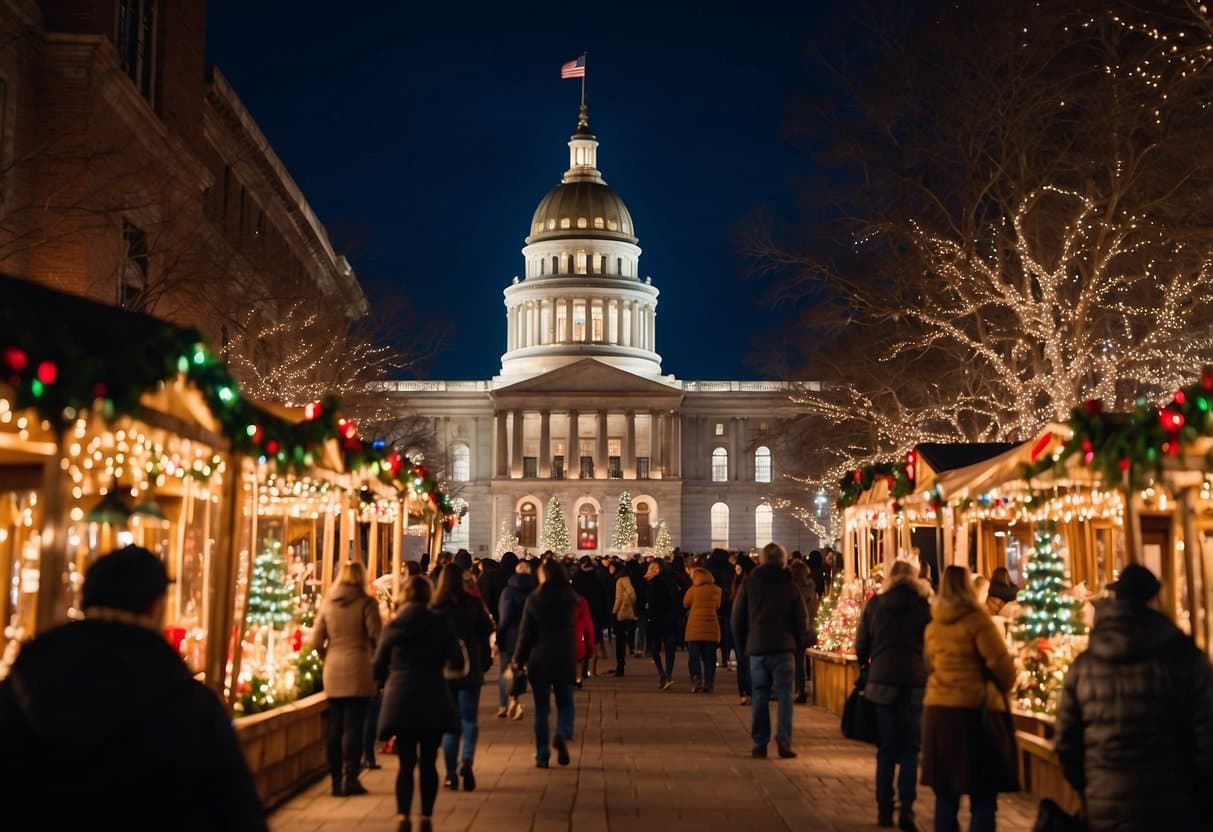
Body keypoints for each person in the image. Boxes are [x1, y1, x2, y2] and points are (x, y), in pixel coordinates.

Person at [0, 545, 267, 831]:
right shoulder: (188, 701)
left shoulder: (27, 679)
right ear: (155, 606)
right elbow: (237, 812)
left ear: (85, 597)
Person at [1054, 564, 1213, 831]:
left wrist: (1093, 786)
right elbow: (1207, 738)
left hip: (1105, 807)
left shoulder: (1085, 664)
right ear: (1156, 599)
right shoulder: (1185, 657)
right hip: (1174, 806)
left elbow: (1065, 742)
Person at [921, 565, 1015, 832]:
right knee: (983, 793)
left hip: (940, 712)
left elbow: (929, 666)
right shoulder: (978, 621)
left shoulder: (933, 626)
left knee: (946, 794)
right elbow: (1003, 667)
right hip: (976, 714)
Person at [375, 576, 466, 832]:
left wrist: (387, 678)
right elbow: (457, 660)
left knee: (405, 762)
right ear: (429, 596)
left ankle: (403, 816)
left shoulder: (394, 626)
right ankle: (426, 817)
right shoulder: (440, 623)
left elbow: (377, 664)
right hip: (432, 696)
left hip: (401, 699)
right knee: (428, 761)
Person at [855, 560, 932, 831]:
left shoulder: (876, 604)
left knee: (886, 748)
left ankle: (884, 809)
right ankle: (907, 809)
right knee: (911, 749)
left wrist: (867, 665)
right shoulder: (925, 606)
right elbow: (932, 645)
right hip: (915, 682)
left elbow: (861, 644)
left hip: (882, 682)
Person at [312, 559, 383, 797]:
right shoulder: (366, 603)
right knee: (354, 726)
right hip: (359, 668)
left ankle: (334, 781)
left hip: (333, 668)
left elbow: (315, 640)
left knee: (335, 725)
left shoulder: (328, 603)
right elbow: (376, 636)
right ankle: (351, 777)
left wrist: (327, 656)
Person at [731, 542, 807, 759]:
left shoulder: (749, 584)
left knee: (760, 695)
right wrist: (798, 644)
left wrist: (743, 644)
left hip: (757, 648)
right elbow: (802, 619)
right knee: (784, 696)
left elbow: (737, 619)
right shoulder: (790, 585)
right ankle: (784, 737)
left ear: (762, 560)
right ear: (783, 561)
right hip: (784, 648)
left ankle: (760, 742)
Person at [431, 563, 493, 793]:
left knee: (449, 724)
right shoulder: (472, 603)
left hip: (445, 671)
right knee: (468, 719)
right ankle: (466, 760)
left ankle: (449, 775)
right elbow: (487, 628)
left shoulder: (436, 608)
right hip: (469, 669)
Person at [513, 559, 579, 768]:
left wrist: (517, 659)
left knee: (542, 709)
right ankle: (561, 732)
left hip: (539, 656)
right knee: (565, 702)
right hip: (565, 656)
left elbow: (525, 633)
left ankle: (542, 754)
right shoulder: (570, 597)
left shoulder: (535, 598)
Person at [496, 559, 537, 719]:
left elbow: (505, 616)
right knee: (526, 669)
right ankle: (518, 699)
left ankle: (504, 704)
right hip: (530, 636)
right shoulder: (535, 590)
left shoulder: (508, 591)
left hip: (510, 636)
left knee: (505, 670)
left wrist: (500, 635)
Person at [684, 560, 722, 693]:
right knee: (709, 658)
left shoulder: (693, 590)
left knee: (694, 658)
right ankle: (709, 683)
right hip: (711, 628)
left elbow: (685, 603)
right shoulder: (717, 590)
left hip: (694, 628)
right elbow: (718, 605)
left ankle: (696, 679)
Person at [644, 558, 682, 690]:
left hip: (656, 620)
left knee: (656, 649)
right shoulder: (672, 580)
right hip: (670, 620)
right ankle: (668, 674)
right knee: (669, 649)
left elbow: (652, 603)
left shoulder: (652, 583)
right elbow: (677, 599)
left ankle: (662, 673)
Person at [787, 558, 820, 704]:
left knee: (798, 661)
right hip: (811, 627)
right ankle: (808, 688)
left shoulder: (793, 589)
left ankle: (800, 689)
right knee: (807, 660)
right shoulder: (811, 587)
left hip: (797, 628)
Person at [572, 555, 609, 677]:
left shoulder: (577, 577)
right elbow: (603, 596)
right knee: (594, 641)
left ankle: (581, 671)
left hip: (580, 613)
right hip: (595, 613)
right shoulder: (597, 577)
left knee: (580, 641)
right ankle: (592, 670)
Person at [732, 554, 756, 704]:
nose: (736, 568)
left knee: (746, 661)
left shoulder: (747, 583)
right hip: (743, 626)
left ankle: (747, 691)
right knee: (744, 661)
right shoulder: (739, 580)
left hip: (747, 626)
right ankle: (745, 691)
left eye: (738, 566)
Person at [612, 565, 638, 676]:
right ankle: (621, 664)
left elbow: (619, 598)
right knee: (623, 638)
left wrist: (614, 611)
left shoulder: (620, 581)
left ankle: (620, 665)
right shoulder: (627, 579)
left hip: (621, 613)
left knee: (619, 640)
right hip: (626, 612)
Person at [573, 590, 597, 688]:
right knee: (578, 660)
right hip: (577, 644)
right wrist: (591, 650)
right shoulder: (581, 603)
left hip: (557, 647)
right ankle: (578, 679)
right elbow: (588, 628)